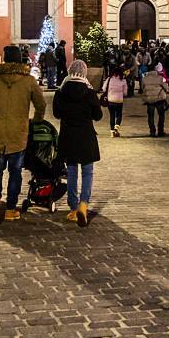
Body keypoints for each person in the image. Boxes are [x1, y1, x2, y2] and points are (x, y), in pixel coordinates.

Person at [0, 45, 46, 224]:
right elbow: (41, 105)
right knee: (15, 172)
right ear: (20, 60)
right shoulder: (29, 81)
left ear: (4, 60)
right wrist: (36, 120)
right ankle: (10, 209)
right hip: (18, 133)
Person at [53, 59, 102, 227]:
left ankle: (73, 208)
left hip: (68, 136)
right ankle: (83, 204)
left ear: (69, 71)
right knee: (87, 172)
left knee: (72, 172)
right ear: (84, 73)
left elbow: (56, 113)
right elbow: (98, 116)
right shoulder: (89, 92)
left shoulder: (61, 90)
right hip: (86, 136)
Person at [143, 64, 168, 137]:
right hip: (159, 98)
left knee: (150, 116)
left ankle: (152, 131)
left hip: (149, 99)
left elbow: (143, 88)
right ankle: (160, 130)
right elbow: (166, 87)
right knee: (161, 115)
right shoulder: (160, 78)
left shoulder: (144, 79)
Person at [103, 66, 126, 137]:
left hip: (110, 100)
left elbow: (104, 88)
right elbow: (125, 92)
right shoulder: (123, 80)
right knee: (119, 115)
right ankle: (116, 127)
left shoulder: (109, 79)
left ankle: (112, 132)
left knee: (112, 116)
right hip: (119, 100)